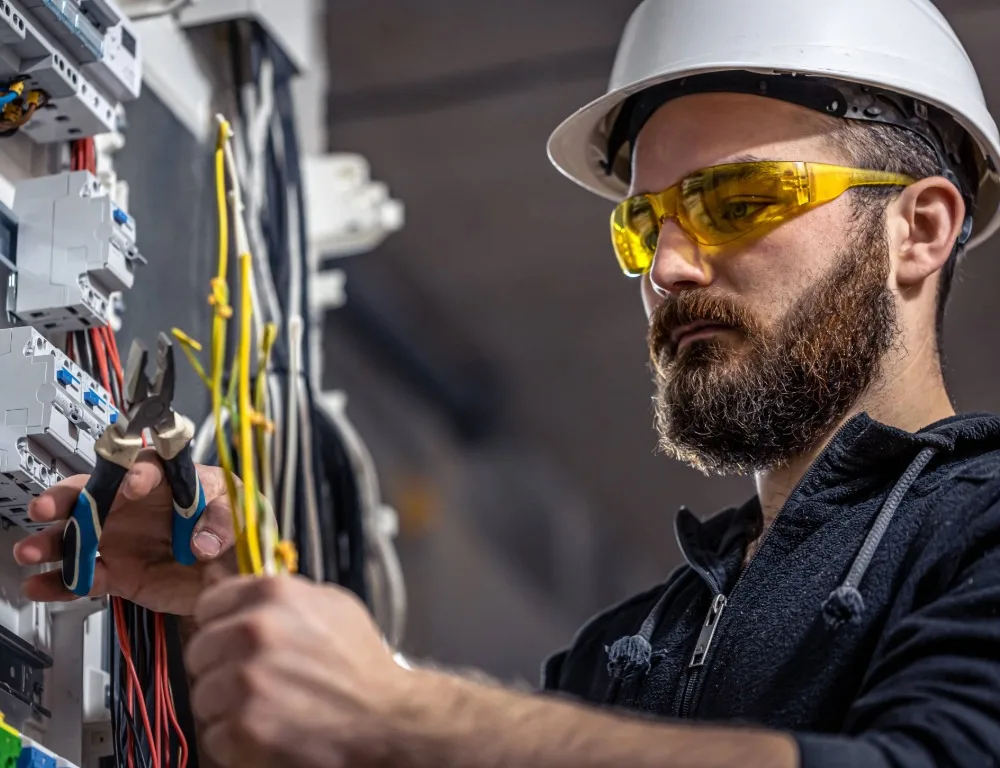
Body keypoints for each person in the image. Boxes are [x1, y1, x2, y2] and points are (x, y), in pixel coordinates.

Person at [12, 0, 1000, 766]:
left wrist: (399, 713)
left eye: (735, 199)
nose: (667, 267)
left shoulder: (976, 533)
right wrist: (228, 619)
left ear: (918, 230)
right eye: (641, 223)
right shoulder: (624, 654)